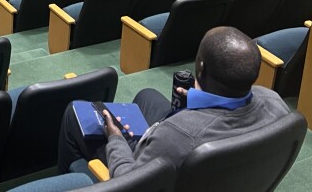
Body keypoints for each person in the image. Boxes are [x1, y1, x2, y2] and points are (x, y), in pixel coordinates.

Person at [56, 27, 290, 178]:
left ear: (200, 68)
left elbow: (129, 179)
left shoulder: (176, 137)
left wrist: (116, 138)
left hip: (150, 162)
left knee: (72, 113)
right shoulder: (275, 103)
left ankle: (72, 178)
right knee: (146, 95)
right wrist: (200, 100)